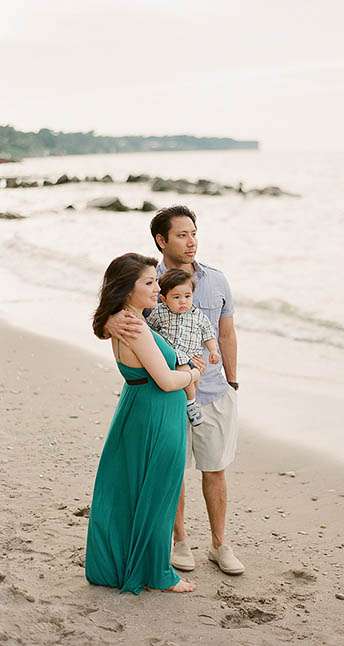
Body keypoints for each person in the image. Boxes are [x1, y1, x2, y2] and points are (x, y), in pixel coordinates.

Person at [105, 205, 244, 576]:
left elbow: (226, 332)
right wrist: (109, 320)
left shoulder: (217, 281)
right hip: (166, 397)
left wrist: (231, 381)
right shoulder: (147, 283)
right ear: (161, 240)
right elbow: (115, 317)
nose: (191, 241)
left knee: (215, 469)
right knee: (173, 472)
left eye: (194, 233)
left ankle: (219, 544)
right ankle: (180, 540)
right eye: (182, 235)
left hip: (213, 391)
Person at [86, 252, 205, 594]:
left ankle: (128, 562)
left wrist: (105, 320)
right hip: (155, 415)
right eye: (150, 283)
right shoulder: (134, 324)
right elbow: (167, 381)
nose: (157, 288)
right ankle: (157, 572)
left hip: (142, 410)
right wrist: (194, 372)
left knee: (134, 490)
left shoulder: (127, 318)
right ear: (127, 288)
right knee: (157, 493)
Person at [147, 268, 221, 426]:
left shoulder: (197, 315)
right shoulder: (160, 312)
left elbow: (208, 334)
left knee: (192, 383)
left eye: (187, 296)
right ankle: (191, 405)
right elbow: (149, 330)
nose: (183, 301)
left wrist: (214, 351)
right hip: (173, 357)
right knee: (184, 378)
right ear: (164, 299)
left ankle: (190, 404)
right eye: (176, 297)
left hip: (193, 358)